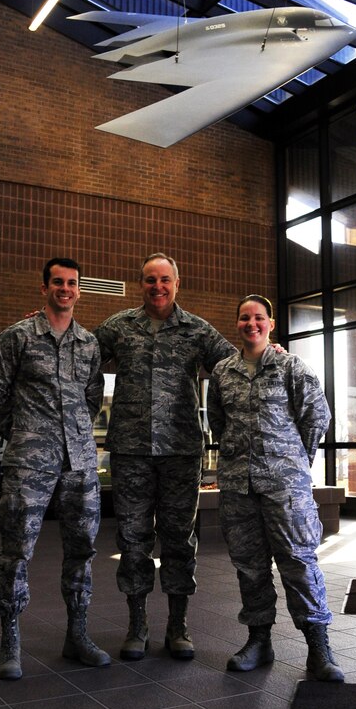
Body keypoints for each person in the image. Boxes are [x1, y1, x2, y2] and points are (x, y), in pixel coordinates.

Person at [94, 253, 237, 661]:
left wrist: (268, 351)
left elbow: (233, 365)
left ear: (177, 283)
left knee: (178, 539)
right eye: (149, 280)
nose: (157, 287)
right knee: (133, 540)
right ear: (141, 284)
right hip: (131, 452)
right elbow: (79, 352)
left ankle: (178, 626)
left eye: (164, 280)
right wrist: (46, 320)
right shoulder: (120, 327)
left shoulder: (196, 330)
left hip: (180, 452)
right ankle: (137, 627)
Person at [0, 257, 110, 680]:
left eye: (72, 283)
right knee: (17, 553)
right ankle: (10, 643)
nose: (65, 289)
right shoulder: (17, 337)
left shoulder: (88, 344)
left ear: (78, 289)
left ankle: (77, 635)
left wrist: (69, 435)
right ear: (44, 288)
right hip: (29, 465)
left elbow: (92, 399)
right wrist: (25, 435)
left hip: (80, 465)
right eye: (58, 282)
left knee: (83, 551)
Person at [207, 294, 344, 682]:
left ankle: (319, 649)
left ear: (270, 324)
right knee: (249, 567)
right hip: (239, 485)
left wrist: (294, 462)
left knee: (299, 563)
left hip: (286, 487)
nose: (251, 324)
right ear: (237, 324)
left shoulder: (290, 367)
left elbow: (317, 417)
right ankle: (258, 641)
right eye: (245, 318)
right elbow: (219, 422)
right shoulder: (222, 371)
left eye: (259, 318)